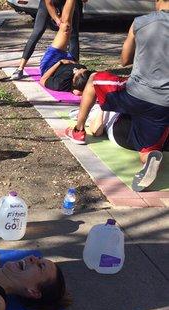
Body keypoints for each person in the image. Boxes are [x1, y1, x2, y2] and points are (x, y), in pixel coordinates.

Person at [65, 0, 169, 191]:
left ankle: (78, 130)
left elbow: (124, 60)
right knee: (148, 146)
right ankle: (149, 158)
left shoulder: (141, 22)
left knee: (94, 79)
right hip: (164, 104)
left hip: (135, 94)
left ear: (158, 1)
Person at [11, 0, 86, 81]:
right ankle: (20, 68)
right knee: (37, 32)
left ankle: (76, 68)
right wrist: (57, 20)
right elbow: (48, 3)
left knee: (73, 35)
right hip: (48, 2)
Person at [38, 0, 91, 94]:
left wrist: (60, 62)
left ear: (75, 77)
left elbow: (43, 80)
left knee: (65, 28)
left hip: (51, 64)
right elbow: (79, 91)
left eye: (78, 71)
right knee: (69, 29)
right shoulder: (85, 76)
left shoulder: (61, 83)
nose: (80, 69)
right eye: (81, 69)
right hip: (69, 62)